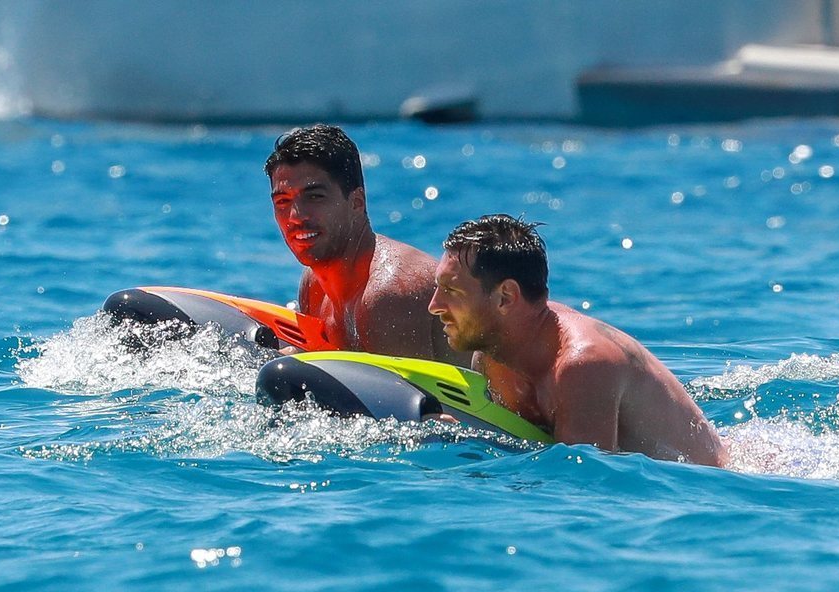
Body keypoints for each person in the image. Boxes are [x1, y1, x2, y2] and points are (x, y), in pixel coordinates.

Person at [427, 214, 727, 466]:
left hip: (718, 484)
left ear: (506, 297)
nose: (434, 305)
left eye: (451, 291)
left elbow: (581, 487)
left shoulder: (582, 365)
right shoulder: (489, 356)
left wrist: (468, 441)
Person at [265, 124, 467, 365]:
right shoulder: (314, 285)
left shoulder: (390, 294)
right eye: (282, 201)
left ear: (357, 202)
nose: (296, 215)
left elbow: (409, 400)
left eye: (315, 196)